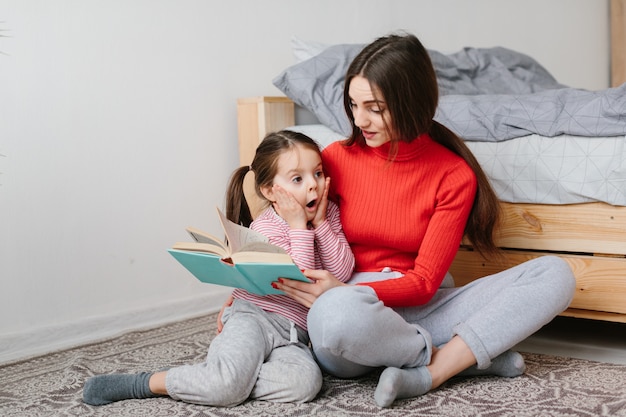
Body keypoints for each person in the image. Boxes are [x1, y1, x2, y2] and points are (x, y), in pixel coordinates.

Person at [271, 33, 577, 408]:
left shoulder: (452, 175)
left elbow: (424, 283)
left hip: (419, 305)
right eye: (353, 104)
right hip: (349, 314)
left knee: (555, 274)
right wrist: (242, 298)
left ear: (411, 103)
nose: (358, 119)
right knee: (334, 319)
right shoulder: (335, 158)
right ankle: (461, 356)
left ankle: (432, 372)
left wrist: (347, 291)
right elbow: (280, 228)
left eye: (375, 108)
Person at [82, 130, 355, 407]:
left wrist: (320, 226)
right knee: (227, 387)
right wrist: (299, 226)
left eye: (318, 173)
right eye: (298, 179)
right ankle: (146, 383)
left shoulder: (327, 215)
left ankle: (229, 376)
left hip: (294, 334)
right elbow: (303, 280)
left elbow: (343, 272)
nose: (313, 185)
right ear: (270, 191)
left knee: (305, 383)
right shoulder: (265, 228)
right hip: (253, 318)